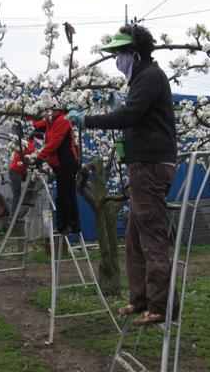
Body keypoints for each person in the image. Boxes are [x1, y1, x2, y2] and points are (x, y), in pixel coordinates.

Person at [66, 24, 178, 326]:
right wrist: (125, 106)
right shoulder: (143, 78)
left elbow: (131, 116)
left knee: (151, 234)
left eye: (120, 53)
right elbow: (137, 116)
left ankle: (161, 305)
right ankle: (140, 298)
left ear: (135, 52)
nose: (117, 59)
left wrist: (86, 120)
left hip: (150, 166)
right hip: (143, 165)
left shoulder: (150, 76)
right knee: (133, 236)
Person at [32, 107, 81, 235]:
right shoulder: (52, 120)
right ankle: (73, 224)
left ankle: (63, 225)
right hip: (60, 162)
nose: (51, 111)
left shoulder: (63, 120)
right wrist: (28, 116)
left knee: (64, 193)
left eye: (54, 109)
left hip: (66, 161)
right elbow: (38, 125)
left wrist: (40, 156)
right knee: (68, 193)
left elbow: (54, 142)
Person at [8, 134, 36, 215]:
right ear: (33, 140)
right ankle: (13, 215)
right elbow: (33, 157)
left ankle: (26, 198)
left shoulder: (23, 144)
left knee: (32, 179)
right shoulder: (30, 146)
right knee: (17, 193)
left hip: (19, 171)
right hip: (16, 171)